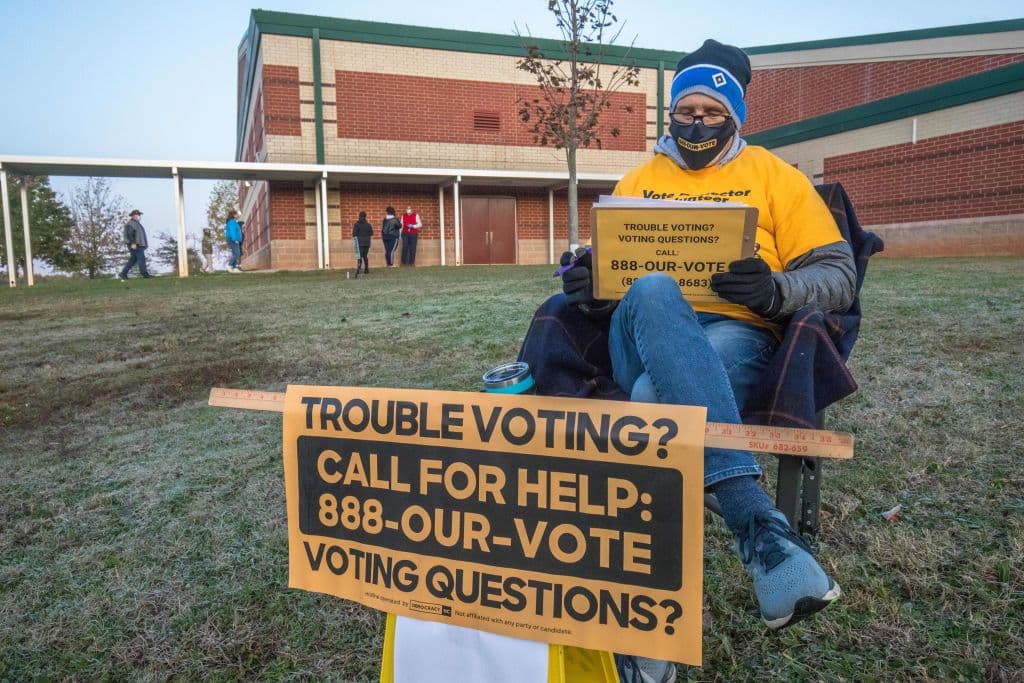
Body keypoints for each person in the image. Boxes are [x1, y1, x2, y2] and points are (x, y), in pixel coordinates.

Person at [547, 39, 856, 681]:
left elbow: (838, 275)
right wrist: (591, 286)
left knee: (656, 411)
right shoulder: (638, 181)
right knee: (655, 288)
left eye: (711, 112)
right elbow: (612, 283)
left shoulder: (775, 177)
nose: (695, 122)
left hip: (737, 339)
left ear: (735, 116)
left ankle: (648, 634)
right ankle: (757, 525)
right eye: (684, 109)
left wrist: (777, 290)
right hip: (641, 331)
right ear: (669, 114)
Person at [117, 209, 152, 280]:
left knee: (133, 260)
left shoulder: (136, 223)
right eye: (136, 215)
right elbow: (130, 234)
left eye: (139, 215)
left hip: (137, 244)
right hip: (135, 244)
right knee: (141, 259)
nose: (138, 216)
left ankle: (123, 274)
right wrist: (133, 243)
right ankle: (145, 274)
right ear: (132, 216)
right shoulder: (131, 224)